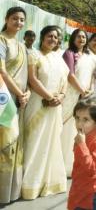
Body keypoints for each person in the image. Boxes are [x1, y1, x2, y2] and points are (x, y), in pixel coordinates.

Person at [22, 25, 69, 199]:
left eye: (56, 37)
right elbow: (33, 79)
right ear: (42, 37)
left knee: (52, 143)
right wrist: (49, 97)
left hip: (55, 107)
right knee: (35, 143)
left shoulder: (58, 57)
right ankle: (30, 185)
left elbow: (65, 78)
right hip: (38, 105)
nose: (53, 40)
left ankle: (49, 182)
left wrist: (61, 96)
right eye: (50, 36)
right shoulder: (34, 55)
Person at [0, 7, 30, 204]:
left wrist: (26, 92)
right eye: (14, 19)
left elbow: (26, 74)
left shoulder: (21, 45)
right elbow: (1, 71)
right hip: (4, 100)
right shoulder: (1, 40)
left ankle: (10, 191)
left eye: (21, 20)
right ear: (6, 19)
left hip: (20, 99)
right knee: (4, 143)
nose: (18, 23)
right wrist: (19, 94)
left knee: (15, 145)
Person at [68, 97, 96, 210]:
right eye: (77, 118)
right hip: (79, 189)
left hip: (94, 194)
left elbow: (91, 168)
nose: (79, 123)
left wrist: (82, 145)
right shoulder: (82, 137)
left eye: (85, 119)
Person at [61, 29, 96, 176]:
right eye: (78, 36)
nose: (81, 39)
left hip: (86, 96)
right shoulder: (69, 53)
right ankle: (66, 166)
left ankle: (81, 162)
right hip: (72, 96)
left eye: (83, 37)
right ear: (73, 39)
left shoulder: (89, 56)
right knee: (69, 129)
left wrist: (90, 89)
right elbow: (70, 75)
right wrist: (81, 90)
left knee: (83, 129)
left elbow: (93, 75)